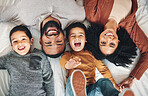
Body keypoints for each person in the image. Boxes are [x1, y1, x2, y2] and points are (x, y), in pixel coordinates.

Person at [84, 0, 148, 89]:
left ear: (98, 38)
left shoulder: (93, 15)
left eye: (103, 42)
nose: (109, 39)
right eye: (112, 44)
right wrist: (132, 78)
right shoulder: (129, 25)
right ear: (118, 42)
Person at [60, 22, 134, 96]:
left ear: (85, 39)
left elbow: (103, 69)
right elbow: (63, 61)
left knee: (104, 82)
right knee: (71, 80)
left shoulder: (91, 54)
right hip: (73, 88)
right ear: (67, 41)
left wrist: (114, 85)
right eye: (73, 36)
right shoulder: (68, 54)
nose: (77, 38)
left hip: (91, 88)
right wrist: (68, 65)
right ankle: (79, 93)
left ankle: (115, 95)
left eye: (80, 35)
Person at [0, 25, 54, 96]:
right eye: (15, 41)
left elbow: (48, 79)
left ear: (31, 41)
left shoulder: (39, 56)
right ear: (12, 46)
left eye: (23, 39)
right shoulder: (9, 58)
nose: (19, 43)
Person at [40, 16, 67, 96]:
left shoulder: (25, 16)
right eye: (58, 41)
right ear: (65, 39)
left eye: (48, 43)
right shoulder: (77, 15)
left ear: (41, 41)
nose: (53, 37)